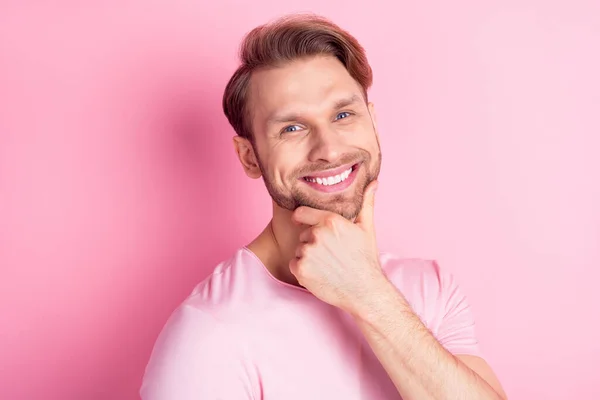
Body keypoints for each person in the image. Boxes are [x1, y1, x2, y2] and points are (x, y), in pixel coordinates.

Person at [140, 13, 507, 400]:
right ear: (249, 157)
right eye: (292, 128)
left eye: (344, 114)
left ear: (373, 123)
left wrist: (367, 293)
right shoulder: (208, 334)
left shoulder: (429, 287)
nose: (329, 149)